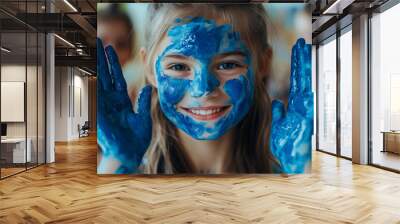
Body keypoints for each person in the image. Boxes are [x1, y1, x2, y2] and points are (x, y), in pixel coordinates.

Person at [97, 3, 313, 174]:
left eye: (228, 65)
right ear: (150, 69)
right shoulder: (126, 170)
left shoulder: (288, 169)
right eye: (179, 66)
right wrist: (117, 161)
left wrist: (301, 169)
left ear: (263, 64)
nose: (203, 89)